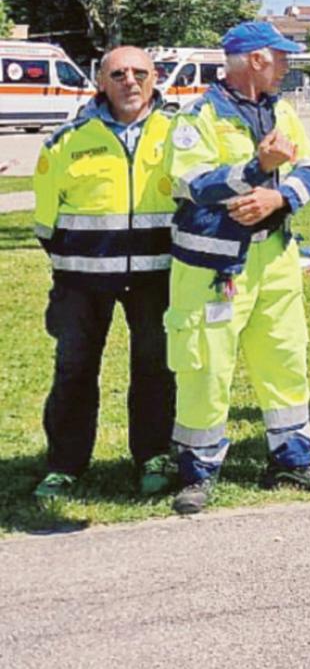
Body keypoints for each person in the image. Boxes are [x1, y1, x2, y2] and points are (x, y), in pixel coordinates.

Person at [164, 21, 310, 515]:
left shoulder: (281, 109)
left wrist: (278, 198)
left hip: (276, 259)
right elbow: (195, 184)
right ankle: (197, 471)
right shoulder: (197, 116)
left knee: (285, 358)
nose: (286, 67)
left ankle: (292, 459)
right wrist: (257, 170)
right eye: (281, 58)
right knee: (206, 367)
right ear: (257, 59)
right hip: (213, 266)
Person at [31, 47, 177, 499]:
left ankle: (154, 455)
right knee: (74, 370)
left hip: (157, 276)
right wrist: (76, 258)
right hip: (82, 280)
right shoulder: (68, 139)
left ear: (155, 78)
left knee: (155, 368)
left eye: (139, 73)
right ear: (100, 81)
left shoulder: (180, 133)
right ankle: (64, 466)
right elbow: (45, 220)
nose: (129, 81)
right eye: (118, 74)